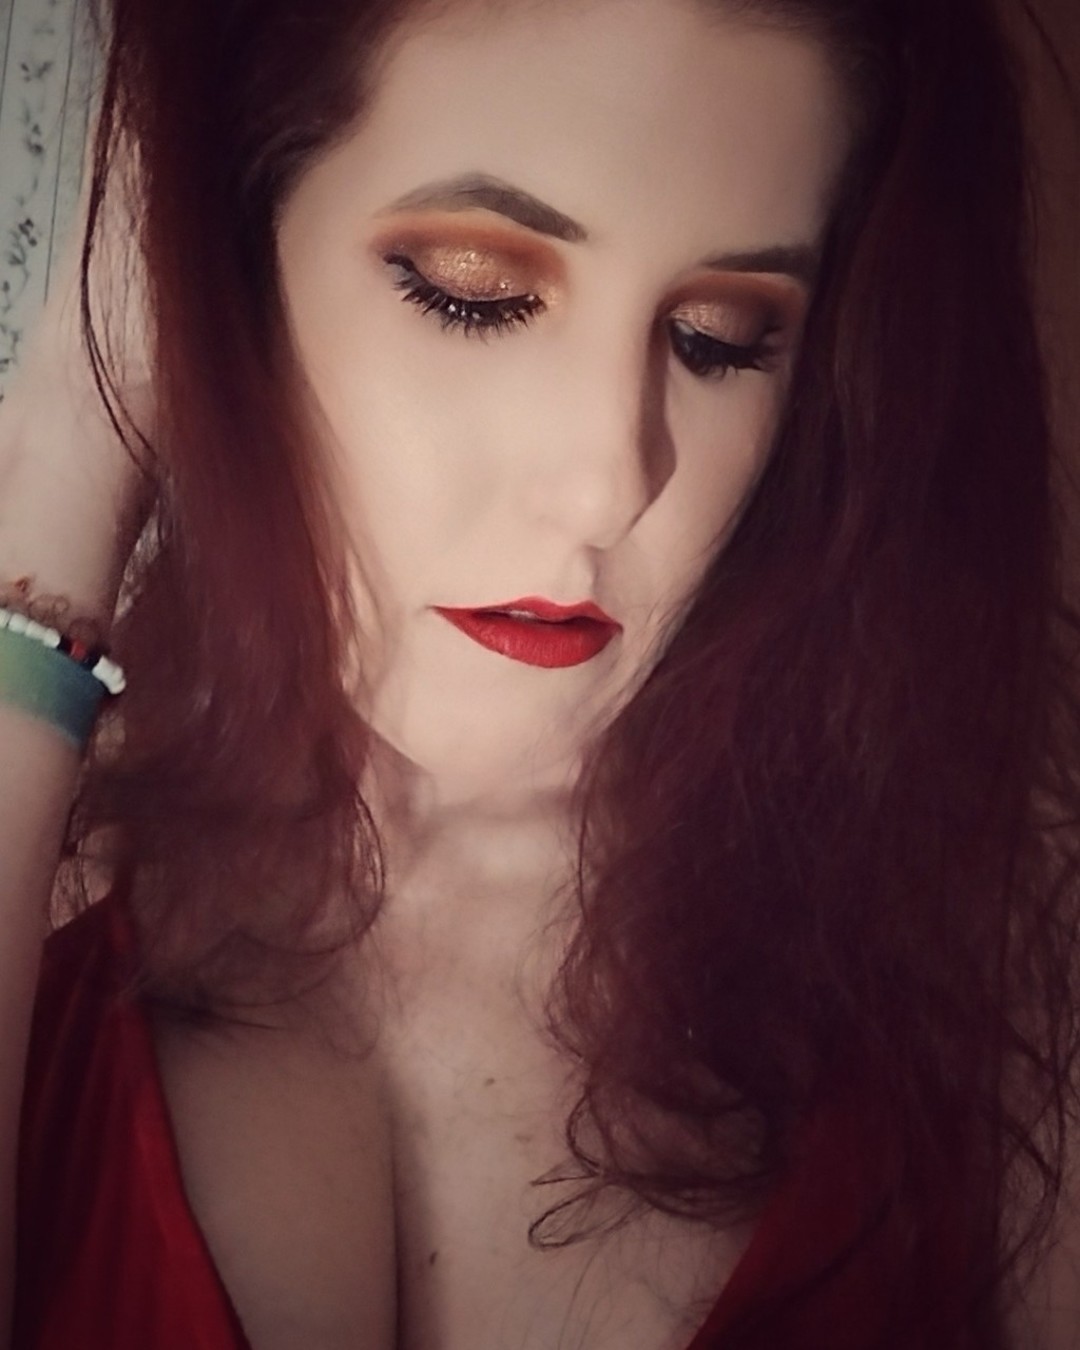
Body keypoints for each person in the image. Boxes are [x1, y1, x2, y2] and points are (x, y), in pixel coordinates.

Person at [1, 0, 1078, 1345]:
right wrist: (68, 437)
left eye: (721, 336)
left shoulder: (994, 960)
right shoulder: (40, 888)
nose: (611, 483)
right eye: (475, 291)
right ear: (230, 276)